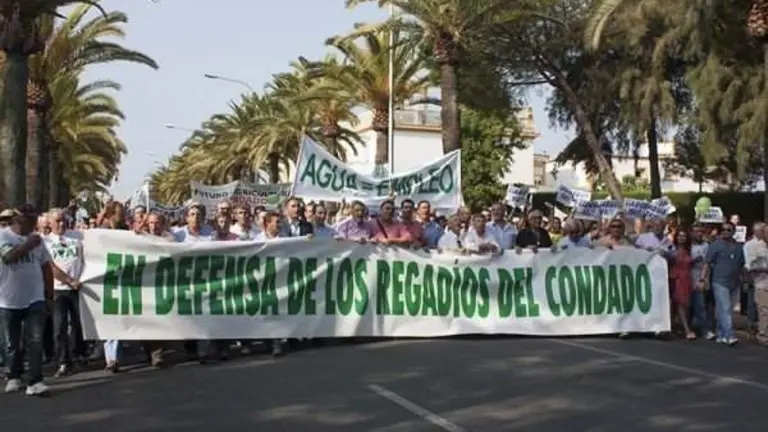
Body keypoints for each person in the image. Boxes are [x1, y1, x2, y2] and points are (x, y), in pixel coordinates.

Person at [1, 205, 79, 396]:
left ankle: (35, 381)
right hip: (8, 300)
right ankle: (13, 376)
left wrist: (49, 296)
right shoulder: (4, 236)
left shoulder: (38, 241)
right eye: (30, 221)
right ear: (19, 220)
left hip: (35, 298)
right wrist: (29, 244)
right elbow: (8, 257)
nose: (33, 225)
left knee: (34, 341)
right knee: (11, 343)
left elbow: (46, 267)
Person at [44, 208, 87, 377]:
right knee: (59, 327)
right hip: (58, 290)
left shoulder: (78, 237)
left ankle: (79, 354)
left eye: (63, 220)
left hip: (79, 288)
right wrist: (69, 280)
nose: (61, 224)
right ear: (50, 223)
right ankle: (63, 361)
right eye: (57, 221)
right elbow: (50, 267)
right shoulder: (45, 242)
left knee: (79, 324)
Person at [700, 222, 745, 346]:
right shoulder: (715, 245)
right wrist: (703, 279)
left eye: (729, 230)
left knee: (725, 309)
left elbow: (741, 265)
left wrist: (744, 280)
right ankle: (729, 335)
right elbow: (707, 263)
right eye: (723, 229)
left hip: (734, 282)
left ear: (733, 232)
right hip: (719, 281)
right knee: (725, 308)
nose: (725, 231)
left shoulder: (739, 247)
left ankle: (721, 333)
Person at [744, 223, 768, 345]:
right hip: (761, 283)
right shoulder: (755, 247)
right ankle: (763, 336)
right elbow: (750, 266)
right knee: (764, 311)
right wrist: (764, 268)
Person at [670, 228, 696, 340]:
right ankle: (687, 330)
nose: (681, 238)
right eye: (680, 236)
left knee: (682, 305)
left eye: (684, 236)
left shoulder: (689, 250)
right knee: (680, 304)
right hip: (675, 278)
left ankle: (672, 326)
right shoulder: (671, 249)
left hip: (686, 279)